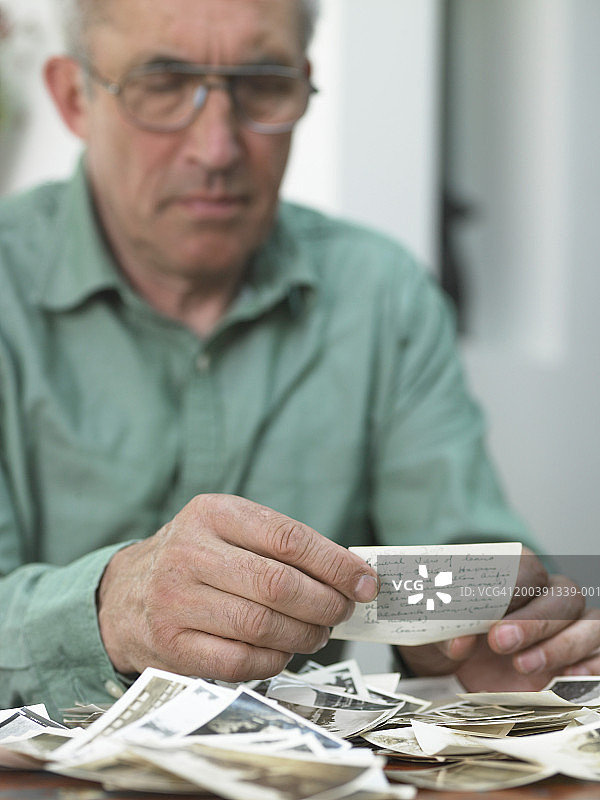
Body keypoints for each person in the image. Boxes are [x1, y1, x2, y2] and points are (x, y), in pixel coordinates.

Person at [0, 0, 598, 721]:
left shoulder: (384, 295)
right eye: (163, 83)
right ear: (74, 98)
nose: (217, 148)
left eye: (261, 83)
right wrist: (107, 610)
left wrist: (495, 636)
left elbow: (468, 579)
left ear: (303, 86)